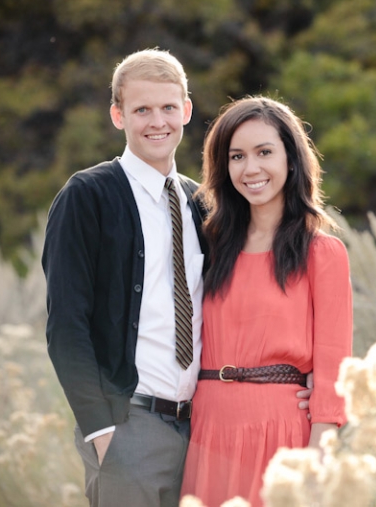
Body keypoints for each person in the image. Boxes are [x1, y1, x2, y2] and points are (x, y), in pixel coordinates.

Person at [42, 50, 312, 507]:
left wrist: (289, 381)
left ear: (186, 110)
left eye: (168, 107)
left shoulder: (201, 203)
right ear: (117, 115)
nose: (157, 121)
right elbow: (65, 326)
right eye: (141, 109)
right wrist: (101, 432)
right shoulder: (86, 196)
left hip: (202, 431)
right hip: (130, 427)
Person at [180, 96, 353, 507]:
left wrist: (315, 460)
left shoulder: (321, 253)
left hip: (280, 435)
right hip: (208, 431)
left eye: (264, 152)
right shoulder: (209, 247)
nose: (250, 168)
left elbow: (334, 368)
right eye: (237, 156)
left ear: (291, 160)